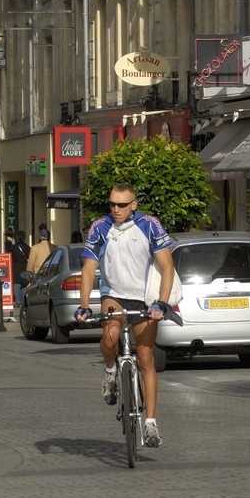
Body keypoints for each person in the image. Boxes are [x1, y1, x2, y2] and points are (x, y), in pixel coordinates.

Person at [75, 183, 176, 450]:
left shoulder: (150, 225)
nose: (115, 209)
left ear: (134, 204)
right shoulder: (100, 227)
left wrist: (161, 303)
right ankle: (110, 370)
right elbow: (88, 269)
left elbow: (167, 266)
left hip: (143, 298)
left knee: (145, 359)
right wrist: (85, 305)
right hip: (114, 294)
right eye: (112, 204)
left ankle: (151, 422)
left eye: (121, 204)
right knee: (110, 336)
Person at [11, 229, 31, 305]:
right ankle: (24, 301)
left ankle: (18, 301)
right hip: (24, 267)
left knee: (17, 284)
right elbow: (29, 257)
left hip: (15, 267)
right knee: (24, 284)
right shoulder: (27, 247)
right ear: (24, 238)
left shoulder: (13, 247)